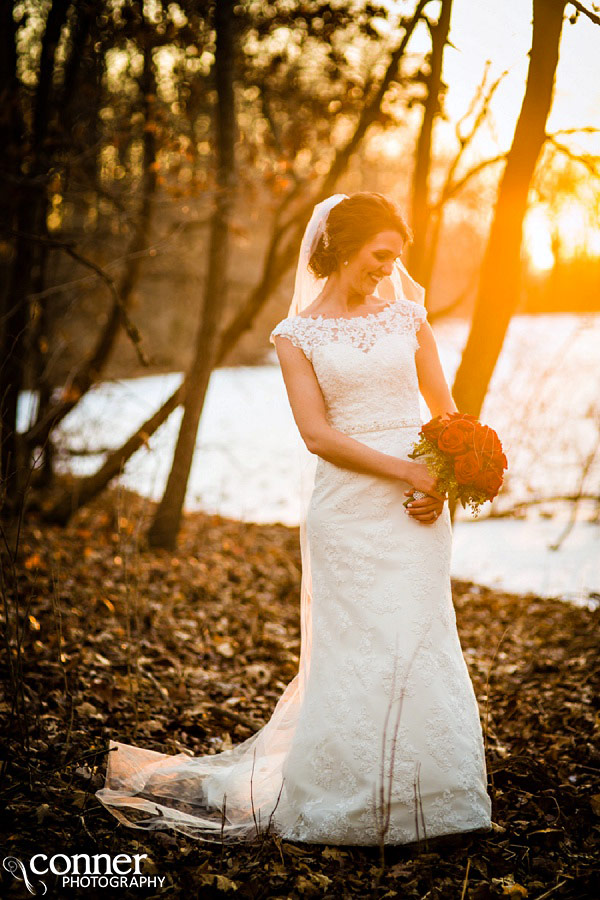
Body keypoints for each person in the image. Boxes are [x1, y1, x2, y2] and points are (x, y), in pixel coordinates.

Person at [95, 191, 492, 846]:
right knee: (360, 651)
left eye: (395, 257)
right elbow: (317, 436)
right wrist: (408, 472)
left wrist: (442, 483)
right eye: (378, 255)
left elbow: (444, 413)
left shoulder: (409, 317)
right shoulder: (295, 336)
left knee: (420, 640)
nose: (387, 268)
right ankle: (348, 807)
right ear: (339, 249)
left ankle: (438, 802)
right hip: (348, 511)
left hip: (417, 509)